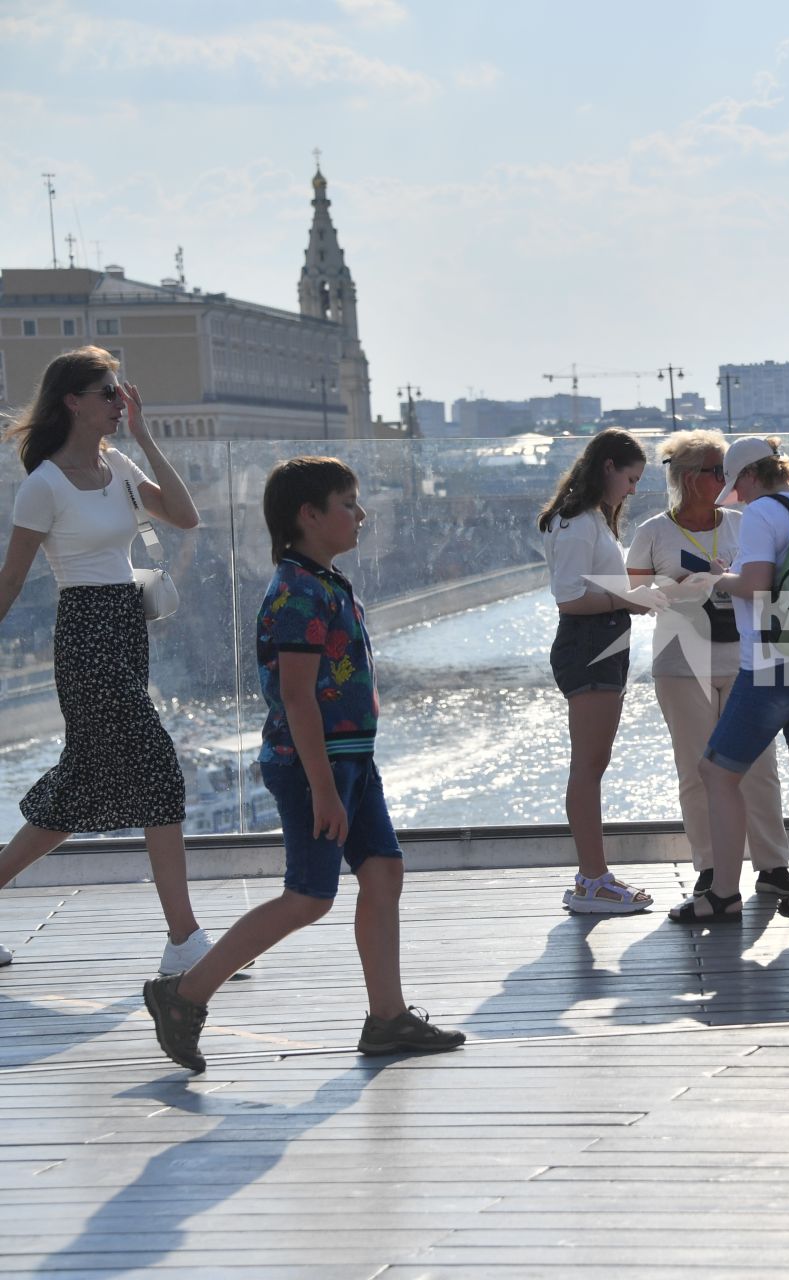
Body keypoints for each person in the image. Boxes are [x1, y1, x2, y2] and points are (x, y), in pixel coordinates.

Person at [142, 457, 466, 1071]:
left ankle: (387, 1016)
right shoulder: (296, 592)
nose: (361, 514)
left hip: (350, 763)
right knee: (309, 896)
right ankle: (184, 994)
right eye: (348, 503)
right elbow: (296, 698)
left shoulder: (324, 581)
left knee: (383, 871)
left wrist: (344, 777)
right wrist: (323, 788)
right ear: (309, 516)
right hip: (312, 768)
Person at [0, 347, 216, 974]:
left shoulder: (118, 463)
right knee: (158, 771)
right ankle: (185, 941)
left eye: (122, 393)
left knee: (74, 796)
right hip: (87, 638)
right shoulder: (42, 484)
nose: (120, 403)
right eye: (109, 393)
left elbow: (185, 515)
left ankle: (184, 941)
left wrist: (145, 435)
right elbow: (12, 578)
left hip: (125, 630)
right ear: (73, 400)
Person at [668, 437, 789, 924]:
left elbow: (757, 586)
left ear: (749, 476)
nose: (736, 496)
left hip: (773, 664)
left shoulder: (763, 513)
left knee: (718, 773)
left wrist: (717, 579)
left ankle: (723, 893)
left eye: (735, 484)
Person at [627, 430, 789, 898]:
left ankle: (772, 865)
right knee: (697, 771)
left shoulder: (745, 522)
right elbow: (633, 598)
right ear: (685, 477)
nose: (725, 478)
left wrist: (728, 579)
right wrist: (680, 587)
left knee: (760, 767)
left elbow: (775, 581)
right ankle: (710, 869)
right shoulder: (653, 532)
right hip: (682, 665)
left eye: (727, 470)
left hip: (747, 660)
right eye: (714, 471)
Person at [540, 428, 654, 914]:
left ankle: (593, 878)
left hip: (602, 643)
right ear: (608, 466)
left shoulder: (589, 520)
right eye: (630, 479)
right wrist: (626, 599)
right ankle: (592, 881)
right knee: (588, 767)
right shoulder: (577, 521)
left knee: (592, 764)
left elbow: (596, 586)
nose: (632, 490)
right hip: (589, 645)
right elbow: (569, 598)